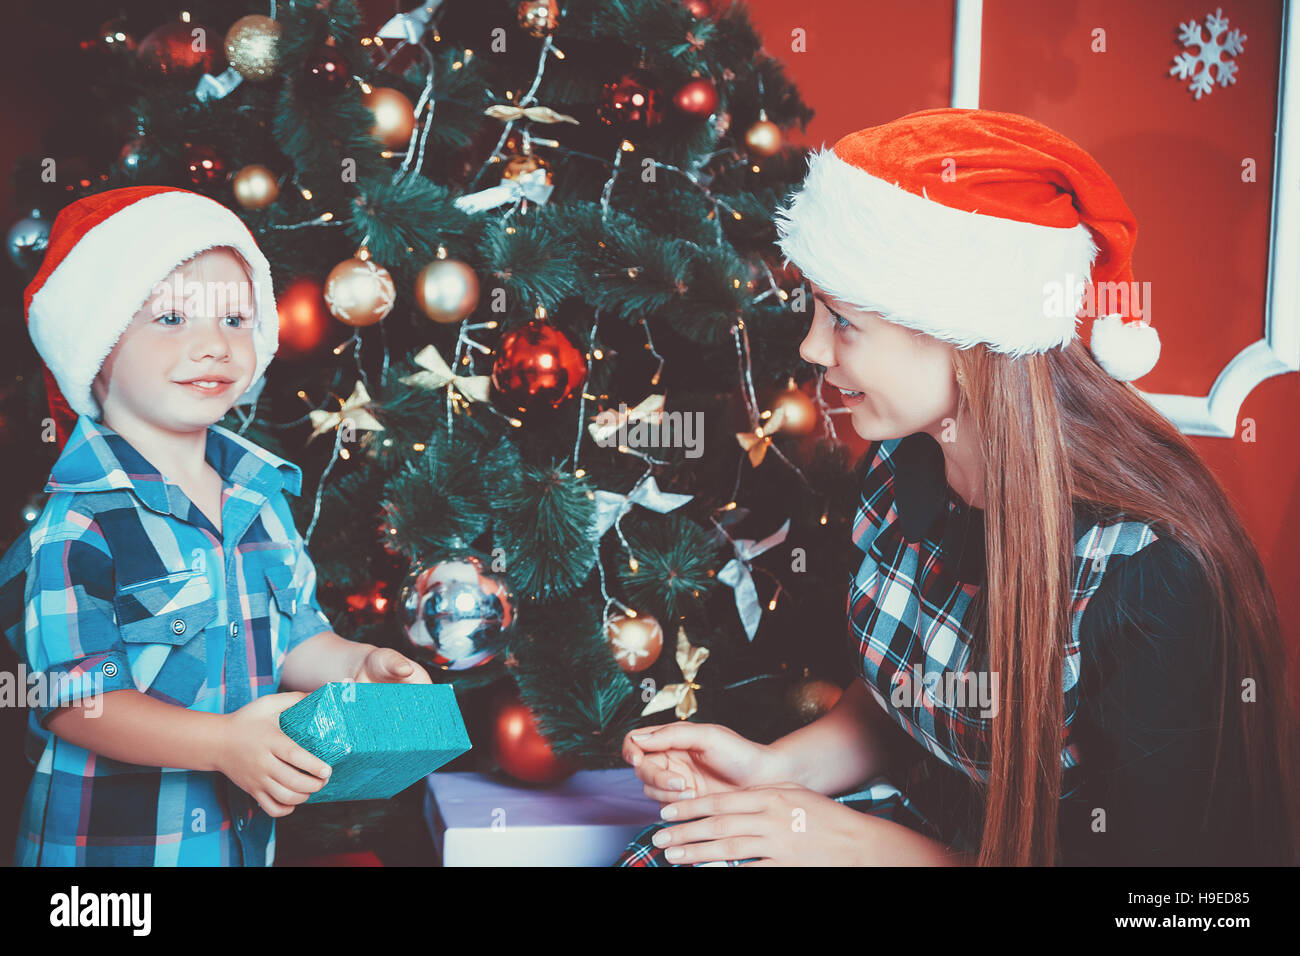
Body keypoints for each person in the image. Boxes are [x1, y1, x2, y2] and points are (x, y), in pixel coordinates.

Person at [614, 108, 1300, 867]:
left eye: (842, 322)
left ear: (962, 336)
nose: (811, 347)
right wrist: (778, 771)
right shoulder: (906, 461)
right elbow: (915, 702)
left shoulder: (1151, 578)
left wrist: (858, 845)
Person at [0, 185, 431, 866]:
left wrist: (356, 666)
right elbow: (73, 703)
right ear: (98, 348)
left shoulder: (261, 497)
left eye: (235, 320)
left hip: (234, 844)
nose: (213, 345)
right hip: (111, 860)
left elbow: (294, 639)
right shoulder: (80, 521)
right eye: (172, 318)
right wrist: (222, 744)